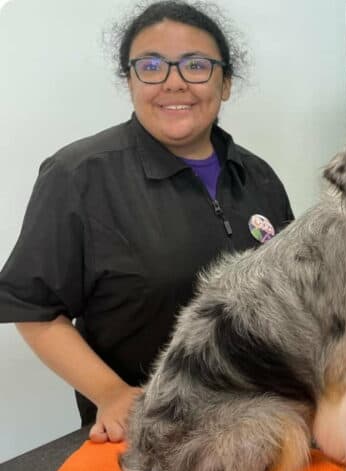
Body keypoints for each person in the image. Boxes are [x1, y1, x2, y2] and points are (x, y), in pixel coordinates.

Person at [0, 0, 293, 444]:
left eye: (196, 65)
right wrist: (112, 394)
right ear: (131, 80)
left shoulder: (258, 176)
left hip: (259, 426)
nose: (174, 83)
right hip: (148, 434)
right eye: (152, 65)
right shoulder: (78, 175)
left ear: (226, 82)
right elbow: (37, 311)